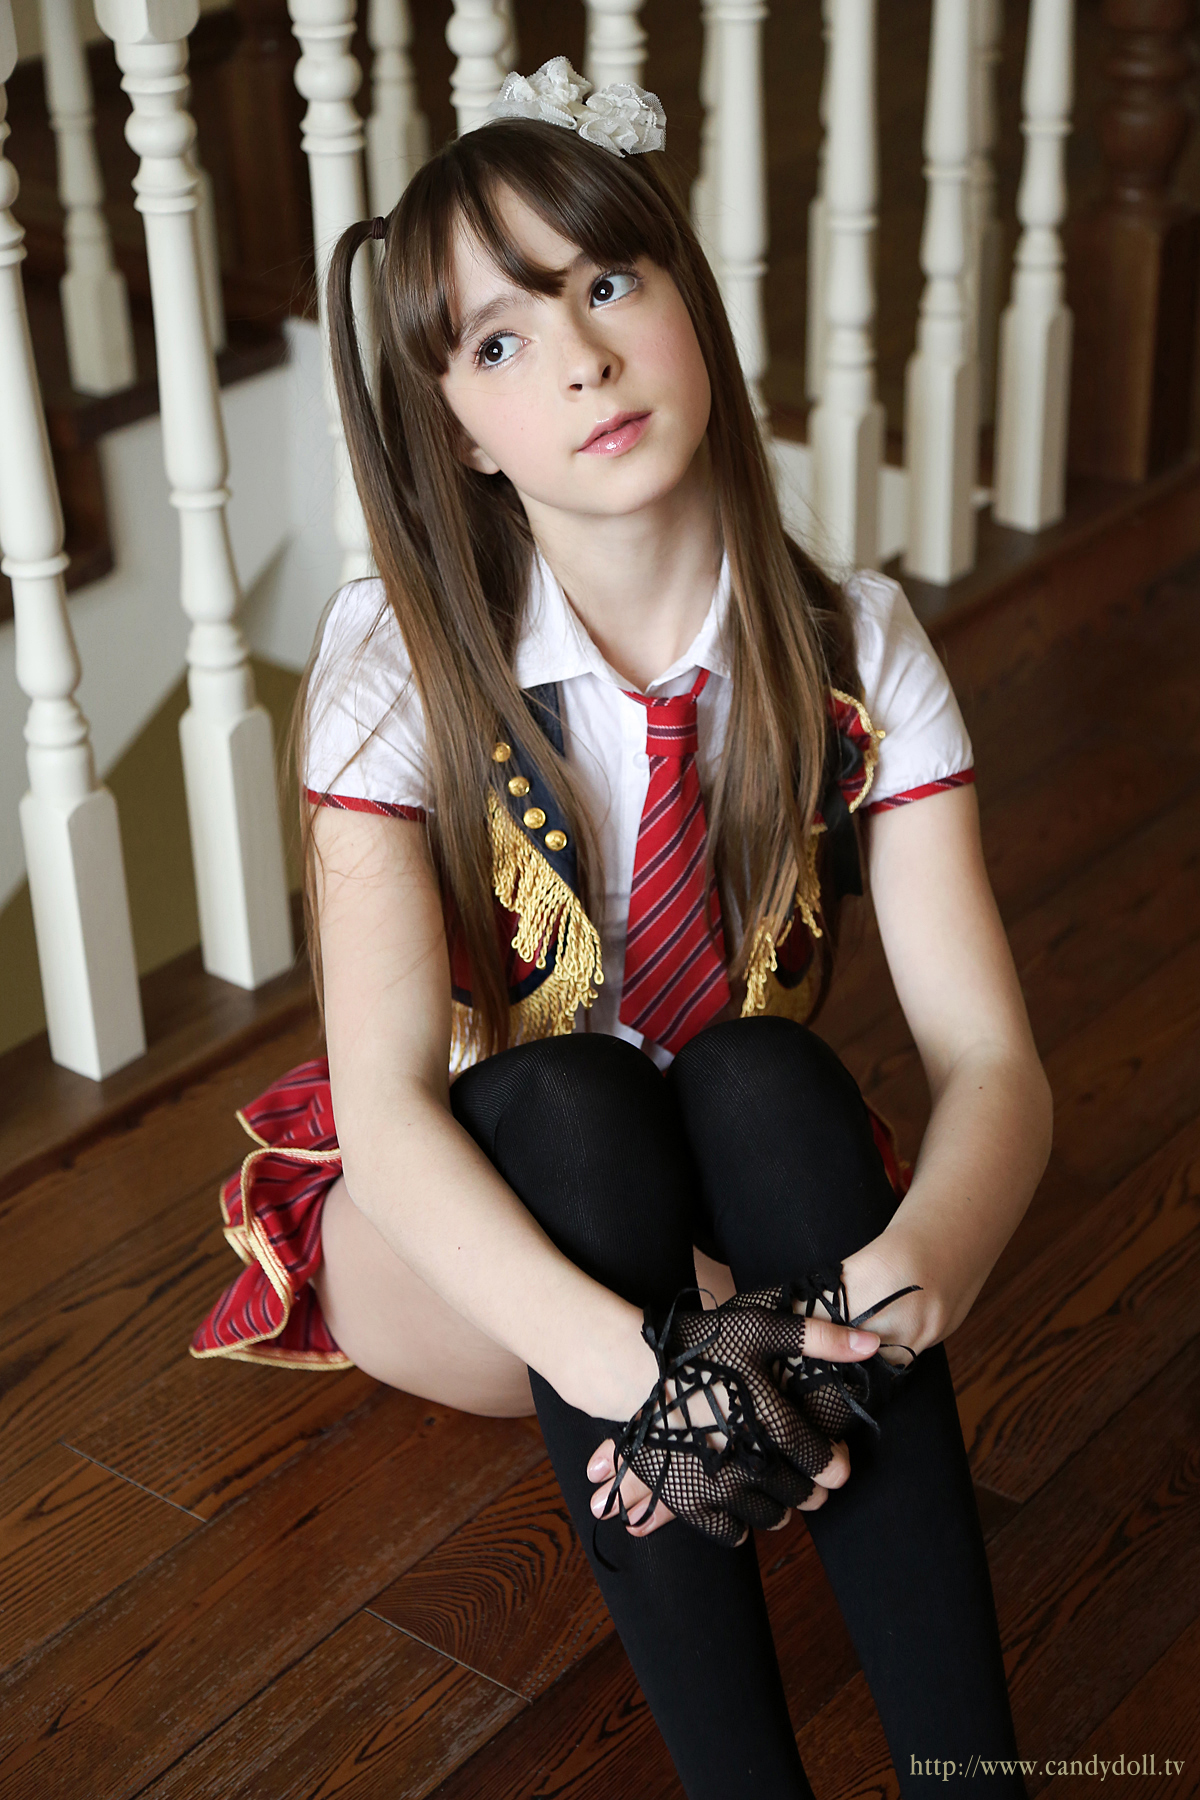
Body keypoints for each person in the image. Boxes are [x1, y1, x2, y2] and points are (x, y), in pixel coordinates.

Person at [192, 59, 1052, 1799]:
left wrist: (882, 1319)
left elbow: (991, 1067)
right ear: (459, 428)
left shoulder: (858, 647)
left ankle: (974, 1778)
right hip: (473, 1236)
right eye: (503, 341)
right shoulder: (397, 664)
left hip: (727, 1225)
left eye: (607, 283)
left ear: (687, 302)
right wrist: (651, 1377)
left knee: (765, 1076)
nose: (581, 357)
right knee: (573, 1098)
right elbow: (393, 1114)